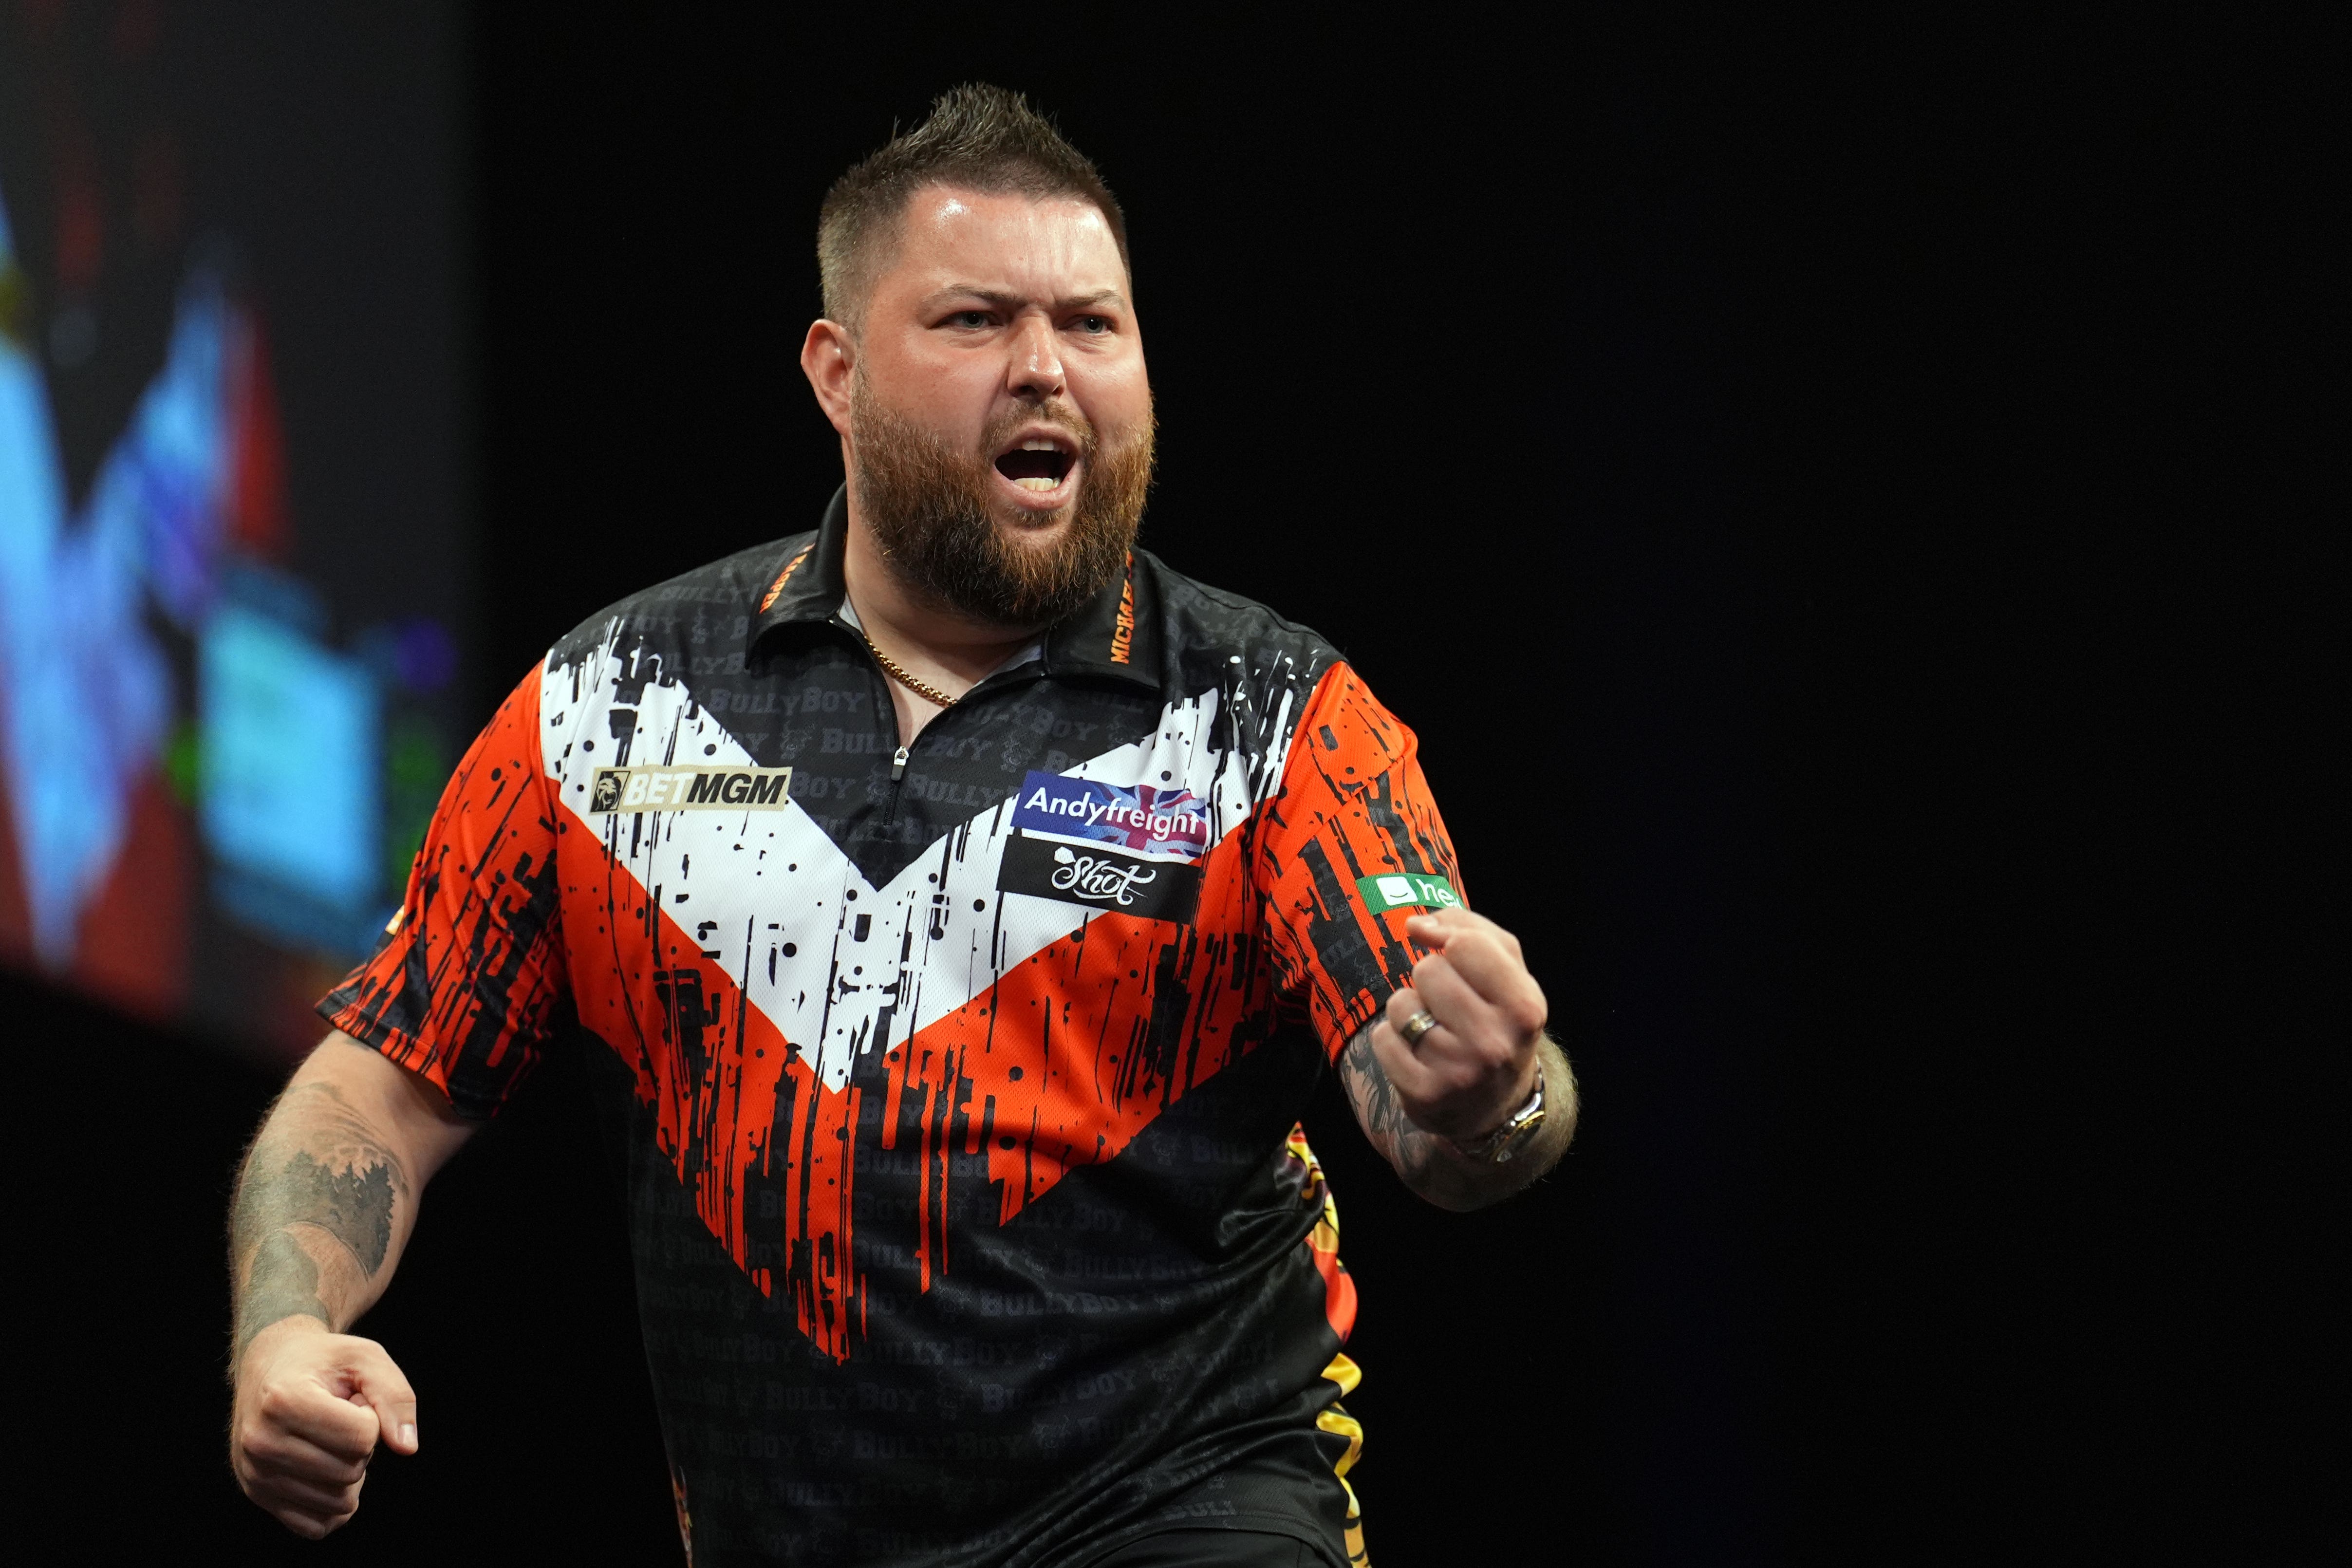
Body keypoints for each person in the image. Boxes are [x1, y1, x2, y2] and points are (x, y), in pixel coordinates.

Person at [225, 84, 1575, 1567]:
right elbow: (376, 1094)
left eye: (1094, 324)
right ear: (837, 372)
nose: (1047, 370)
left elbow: (1450, 1128)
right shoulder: (609, 716)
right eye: (977, 321)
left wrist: (1488, 1096)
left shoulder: (1276, 718)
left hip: (1191, 1503)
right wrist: (284, 1328)